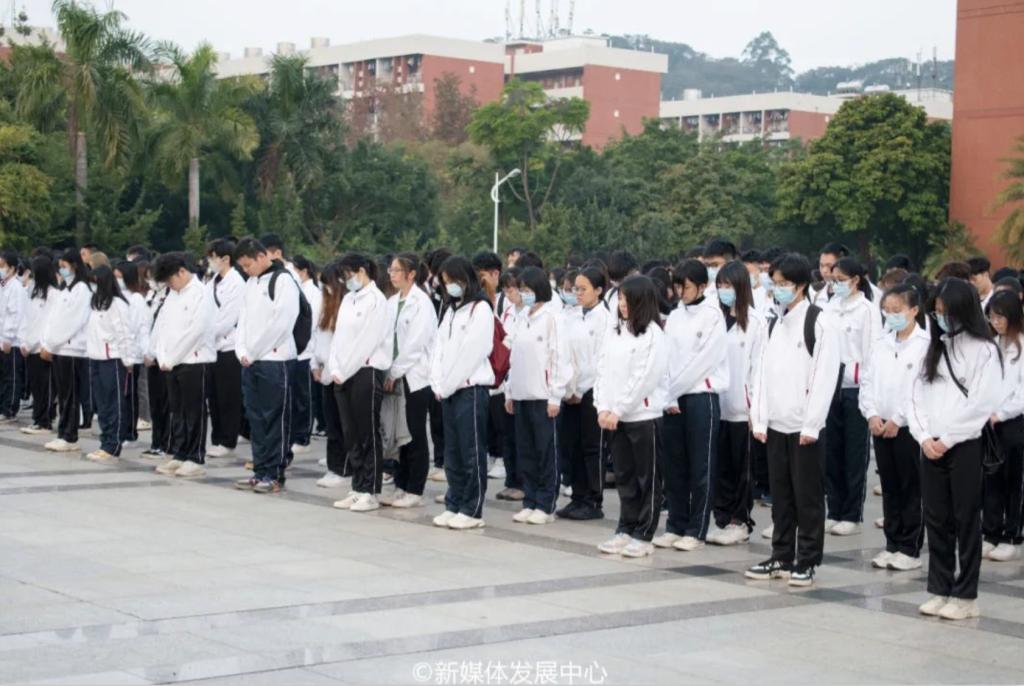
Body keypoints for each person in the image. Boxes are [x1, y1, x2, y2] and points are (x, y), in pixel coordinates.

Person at [909, 278, 1002, 620]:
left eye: (946, 311)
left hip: (964, 446)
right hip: (930, 445)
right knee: (936, 519)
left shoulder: (984, 350)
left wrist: (947, 439)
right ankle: (940, 588)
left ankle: (966, 595)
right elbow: (915, 396)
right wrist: (923, 436)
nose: (941, 317)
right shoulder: (933, 348)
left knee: (966, 520)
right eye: (936, 311)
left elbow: (981, 404)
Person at [747, 253, 842, 587]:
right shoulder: (773, 322)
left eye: (785, 283)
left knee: (808, 497)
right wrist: (760, 418)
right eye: (775, 283)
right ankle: (782, 555)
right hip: (776, 424)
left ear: (801, 285)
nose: (779, 289)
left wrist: (812, 423)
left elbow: (824, 376)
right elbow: (761, 373)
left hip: (804, 427)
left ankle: (808, 560)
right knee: (781, 496)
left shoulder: (818, 321)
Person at [594, 275, 669, 558]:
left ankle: (644, 533)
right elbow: (602, 370)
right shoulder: (614, 332)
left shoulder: (653, 334)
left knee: (647, 478)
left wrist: (620, 408)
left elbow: (645, 378)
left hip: (643, 416)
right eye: (620, 299)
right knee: (624, 476)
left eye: (627, 299)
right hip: (614, 418)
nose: (622, 304)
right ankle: (625, 528)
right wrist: (602, 406)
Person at [656, 259, 729, 552]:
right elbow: (665, 358)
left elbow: (703, 363)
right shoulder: (675, 316)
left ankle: (697, 528)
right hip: (672, 401)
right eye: (677, 286)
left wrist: (672, 391)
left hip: (701, 397)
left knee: (701, 466)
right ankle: (675, 523)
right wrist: (668, 396)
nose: (681, 292)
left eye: (685, 287)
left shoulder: (713, 316)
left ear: (702, 286)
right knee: (675, 466)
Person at [859, 284, 930, 571]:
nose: (891, 316)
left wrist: (898, 419)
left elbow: (920, 388)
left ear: (914, 310)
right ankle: (892, 543)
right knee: (890, 488)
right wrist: (872, 414)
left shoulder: (925, 345)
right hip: (880, 425)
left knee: (910, 488)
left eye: (897, 310)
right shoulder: (881, 343)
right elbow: (867, 381)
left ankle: (910, 548)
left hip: (908, 428)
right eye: (887, 311)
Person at [430, 256, 495, 530]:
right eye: (445, 282)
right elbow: (438, 348)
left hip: (470, 389)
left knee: (471, 452)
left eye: (453, 281)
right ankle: (454, 502)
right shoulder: (451, 310)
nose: (450, 286)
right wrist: (437, 382)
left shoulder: (480, 309)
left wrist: (448, 384)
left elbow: (472, 353)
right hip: (447, 391)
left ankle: (472, 509)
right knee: (452, 452)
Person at [504, 266, 572, 526]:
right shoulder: (522, 317)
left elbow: (559, 358)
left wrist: (555, 395)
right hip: (522, 393)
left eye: (527, 289)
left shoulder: (553, 318)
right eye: (521, 290)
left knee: (546, 452)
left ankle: (545, 503)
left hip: (543, 396)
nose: (523, 294)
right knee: (526, 452)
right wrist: (510, 391)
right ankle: (530, 500)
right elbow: (512, 357)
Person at [233, 238, 300, 493]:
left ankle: (274, 474)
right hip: (251, 361)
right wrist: (242, 350)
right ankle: (260, 470)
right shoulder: (252, 283)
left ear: (262, 257)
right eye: (242, 267)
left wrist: (254, 351)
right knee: (256, 419)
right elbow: (243, 320)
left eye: (248, 265)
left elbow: (282, 323)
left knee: (275, 419)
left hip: (275, 360)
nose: (246, 270)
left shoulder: (283, 280)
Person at [708, 261, 767, 546]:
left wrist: (756, 408)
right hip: (716, 405)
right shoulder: (714, 319)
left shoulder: (756, 322)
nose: (723, 290)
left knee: (742, 469)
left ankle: (740, 520)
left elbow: (759, 368)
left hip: (743, 410)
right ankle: (722, 518)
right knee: (720, 467)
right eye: (720, 285)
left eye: (728, 285)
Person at [329, 253, 392, 512]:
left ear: (362, 271)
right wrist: (335, 367)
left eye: (349, 274)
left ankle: (370, 489)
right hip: (343, 373)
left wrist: (345, 369)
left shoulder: (376, 300)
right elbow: (339, 337)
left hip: (366, 370)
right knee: (350, 433)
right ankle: (357, 486)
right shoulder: (348, 298)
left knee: (367, 433)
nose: (347, 280)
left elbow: (368, 341)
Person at [823, 256, 880, 536]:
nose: (836, 285)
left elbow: (872, 353)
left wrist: (867, 392)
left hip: (856, 388)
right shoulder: (830, 307)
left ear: (856, 280)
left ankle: (852, 514)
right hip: (830, 387)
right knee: (831, 452)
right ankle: (834, 509)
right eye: (833, 281)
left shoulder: (867, 310)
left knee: (854, 453)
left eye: (841, 280)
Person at [151, 253, 216, 478]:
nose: (169, 285)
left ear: (182, 271)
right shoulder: (173, 295)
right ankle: (180, 453)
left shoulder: (201, 293)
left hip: (194, 361)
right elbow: (162, 326)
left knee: (194, 411)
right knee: (177, 411)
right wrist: (161, 354)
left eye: (170, 280)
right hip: (171, 363)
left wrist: (173, 357)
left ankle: (195, 457)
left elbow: (197, 331)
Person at [381, 253, 437, 508]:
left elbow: (415, 345)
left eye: (396, 270)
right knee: (397, 434)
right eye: (390, 270)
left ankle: (415, 489)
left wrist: (395, 372)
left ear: (411, 274)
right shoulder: (392, 302)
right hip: (393, 375)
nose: (391, 274)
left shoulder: (421, 303)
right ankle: (400, 485)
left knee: (414, 434)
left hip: (414, 377)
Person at [556, 265, 611, 520]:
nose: (577, 293)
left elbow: (600, 360)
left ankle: (592, 499)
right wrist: (569, 388)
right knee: (572, 445)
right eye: (575, 289)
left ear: (598, 290)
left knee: (592, 446)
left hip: (592, 390)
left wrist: (580, 388)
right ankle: (577, 496)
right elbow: (566, 354)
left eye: (583, 289)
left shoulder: (605, 319)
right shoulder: (572, 316)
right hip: (571, 391)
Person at [982, 291, 1024, 562]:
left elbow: (1021, 392)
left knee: (1014, 481)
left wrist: (1003, 413)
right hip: (989, 422)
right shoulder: (991, 346)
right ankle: (991, 532)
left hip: (1013, 422)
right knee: (991, 479)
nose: (995, 322)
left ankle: (1012, 535)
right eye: (992, 317)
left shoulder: (1021, 346)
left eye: (1000, 317)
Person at [41, 249, 93, 453]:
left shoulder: (82, 289)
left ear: (75, 265)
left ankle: (70, 436)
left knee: (70, 395)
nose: (61, 270)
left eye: (64, 266)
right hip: (59, 348)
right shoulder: (65, 289)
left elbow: (73, 321)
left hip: (72, 349)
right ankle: (63, 433)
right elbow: (53, 318)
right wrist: (47, 342)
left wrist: (52, 343)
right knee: (63, 395)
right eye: (60, 267)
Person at [83, 266, 134, 463]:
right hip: (95, 358)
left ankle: (113, 445)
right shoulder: (96, 303)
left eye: (95, 282)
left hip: (112, 359)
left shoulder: (117, 304)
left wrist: (128, 360)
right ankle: (105, 441)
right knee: (102, 405)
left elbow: (124, 333)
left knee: (114, 404)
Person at [205, 239, 245, 458]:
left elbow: (228, 318)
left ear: (225, 259)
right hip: (212, 348)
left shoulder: (236, 283)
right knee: (214, 397)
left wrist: (207, 333)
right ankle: (217, 437)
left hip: (229, 346)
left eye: (213, 257)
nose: (210, 262)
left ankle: (228, 440)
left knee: (228, 396)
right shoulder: (212, 281)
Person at [311, 262, 348, 487]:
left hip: (342, 372)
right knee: (332, 424)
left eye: (329, 284)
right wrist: (315, 363)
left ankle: (342, 468)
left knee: (343, 425)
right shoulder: (325, 304)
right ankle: (335, 466)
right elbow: (318, 337)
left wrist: (334, 368)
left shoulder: (348, 306)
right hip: (326, 372)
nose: (327, 289)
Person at [18, 256, 58, 435]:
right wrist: (25, 342)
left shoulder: (53, 294)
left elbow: (48, 323)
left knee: (45, 386)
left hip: (43, 348)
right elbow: (28, 320)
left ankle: (45, 421)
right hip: (30, 347)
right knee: (36, 386)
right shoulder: (35, 293)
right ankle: (38, 418)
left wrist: (38, 343)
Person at [113, 260, 150, 447]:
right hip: (116, 352)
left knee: (130, 395)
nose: (117, 280)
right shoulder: (116, 297)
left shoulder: (136, 299)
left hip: (132, 354)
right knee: (119, 396)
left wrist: (138, 352)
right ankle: (120, 429)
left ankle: (130, 432)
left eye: (119, 276)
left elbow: (138, 327)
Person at [290, 255, 321, 455]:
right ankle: (296, 434)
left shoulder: (313, 293)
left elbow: (312, 324)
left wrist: (303, 346)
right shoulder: (297, 289)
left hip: (306, 351)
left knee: (304, 397)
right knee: (295, 397)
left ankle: (303, 437)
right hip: (293, 351)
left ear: (303, 271)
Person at [0, 249, 28, 423]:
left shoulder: (16, 288)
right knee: (3, 376)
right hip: (2, 339)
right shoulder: (3, 286)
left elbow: (15, 315)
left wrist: (8, 337)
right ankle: (2, 406)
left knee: (11, 377)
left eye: (2, 266)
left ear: (11, 268)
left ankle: (10, 409)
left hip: (12, 341)